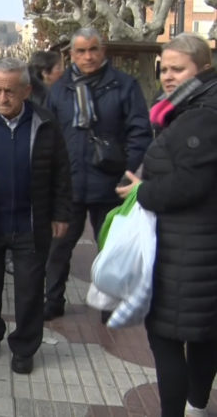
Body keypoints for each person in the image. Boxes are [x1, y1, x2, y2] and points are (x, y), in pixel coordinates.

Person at [116, 33, 217, 417]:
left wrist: (144, 191)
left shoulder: (203, 115)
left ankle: (183, 409)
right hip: (190, 242)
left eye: (179, 69)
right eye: (165, 69)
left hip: (190, 247)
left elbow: (191, 183)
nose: (169, 77)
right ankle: (197, 405)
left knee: (168, 337)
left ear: (203, 68)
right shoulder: (186, 107)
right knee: (204, 333)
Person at [0, 58, 71, 375]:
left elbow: (61, 172)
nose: (2, 98)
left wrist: (61, 213)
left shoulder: (45, 124)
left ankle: (24, 347)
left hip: (31, 223)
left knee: (31, 291)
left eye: (9, 92)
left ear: (26, 91)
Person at [44, 27, 152, 321]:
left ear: (103, 51)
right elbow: (48, 135)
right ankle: (53, 300)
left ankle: (108, 303)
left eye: (93, 49)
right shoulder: (60, 88)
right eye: (81, 51)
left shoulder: (124, 85)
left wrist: (126, 171)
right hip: (69, 185)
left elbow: (140, 133)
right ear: (71, 55)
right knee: (58, 246)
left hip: (110, 182)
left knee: (111, 248)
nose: (88, 56)